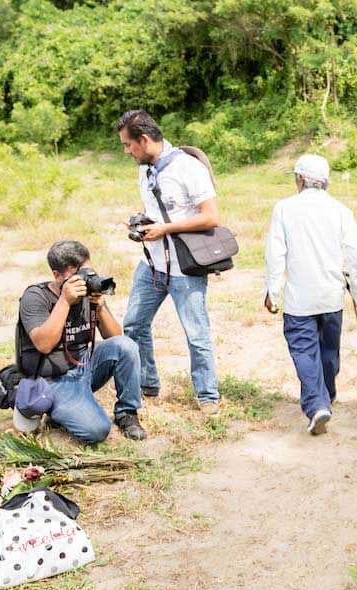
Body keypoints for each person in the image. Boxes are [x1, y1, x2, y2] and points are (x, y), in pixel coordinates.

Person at [116, 109, 222, 418]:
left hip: (185, 268)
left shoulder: (189, 169)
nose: (127, 151)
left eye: (128, 145)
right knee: (134, 323)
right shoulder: (145, 168)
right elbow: (160, 211)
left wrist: (165, 229)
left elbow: (211, 216)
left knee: (196, 333)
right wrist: (142, 224)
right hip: (151, 264)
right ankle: (147, 385)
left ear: (145, 139)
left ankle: (207, 395)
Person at [263, 154, 357, 435]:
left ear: (299, 179)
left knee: (304, 351)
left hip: (300, 300)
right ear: (326, 182)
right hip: (332, 297)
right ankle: (327, 395)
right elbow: (354, 253)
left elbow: (275, 253)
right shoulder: (341, 210)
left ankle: (317, 403)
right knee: (329, 350)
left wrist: (272, 291)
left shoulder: (284, 208)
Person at [16, 240, 147, 443]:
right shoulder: (35, 297)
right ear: (56, 275)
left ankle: (126, 413)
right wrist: (65, 301)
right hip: (55, 379)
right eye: (75, 277)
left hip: (84, 364)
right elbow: (44, 344)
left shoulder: (88, 292)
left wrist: (101, 308)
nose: (83, 281)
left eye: (86, 273)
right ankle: (54, 409)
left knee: (126, 346)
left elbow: (116, 339)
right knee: (97, 431)